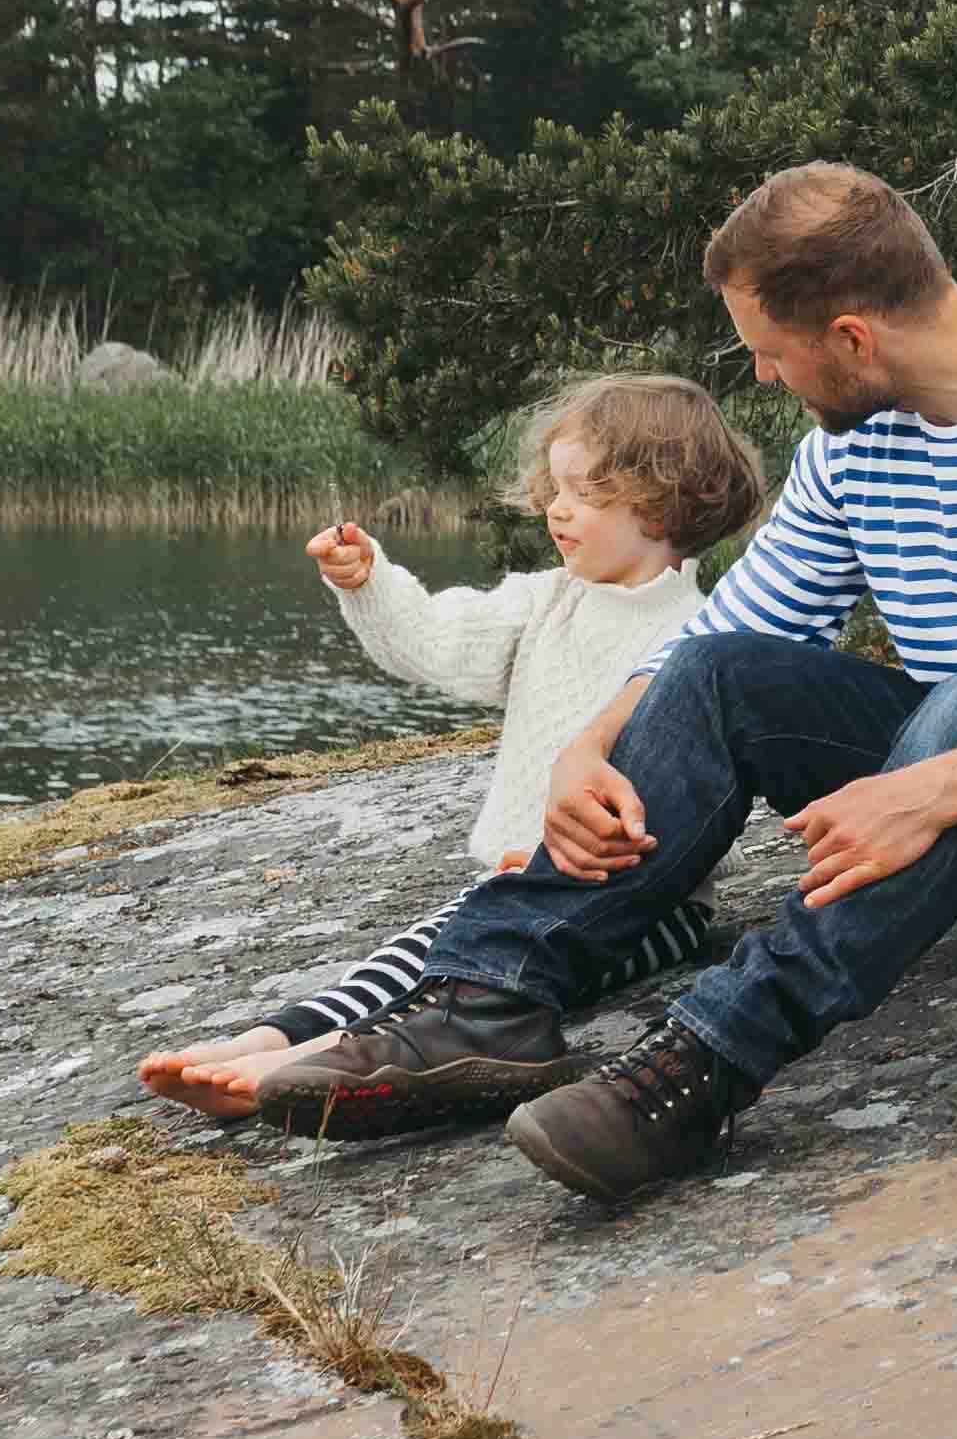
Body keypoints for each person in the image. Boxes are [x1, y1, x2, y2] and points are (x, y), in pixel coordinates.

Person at [251, 160, 957, 1202]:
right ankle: (485, 1001)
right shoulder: (860, 437)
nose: (763, 378)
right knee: (727, 673)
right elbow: (737, 627)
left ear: (854, 336)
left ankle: (704, 1064)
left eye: (770, 352)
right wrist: (589, 746)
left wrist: (914, 791)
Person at [138, 375, 771, 1125]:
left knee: (478, 957)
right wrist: (370, 581)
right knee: (438, 945)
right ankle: (276, 1035)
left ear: (663, 502)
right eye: (554, 489)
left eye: (583, 494)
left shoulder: (700, 638)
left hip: (651, 905)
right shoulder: (545, 602)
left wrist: (555, 860)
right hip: (526, 883)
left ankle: (311, 1059)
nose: (554, 509)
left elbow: (686, 797)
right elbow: (436, 640)